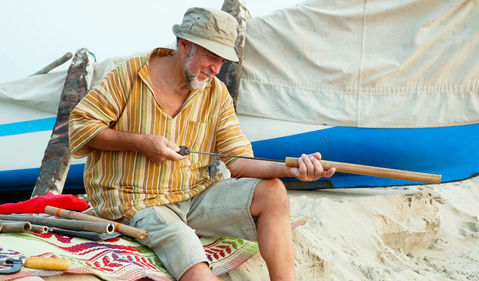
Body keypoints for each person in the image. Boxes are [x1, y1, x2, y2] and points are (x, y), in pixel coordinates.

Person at [69, 7, 335, 281]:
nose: (216, 69)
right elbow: (80, 128)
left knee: (273, 192)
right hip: (136, 202)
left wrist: (293, 170)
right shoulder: (129, 75)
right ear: (185, 45)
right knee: (194, 260)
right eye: (211, 57)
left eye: (222, 61)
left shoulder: (216, 93)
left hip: (194, 196)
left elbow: (239, 162)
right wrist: (141, 143)